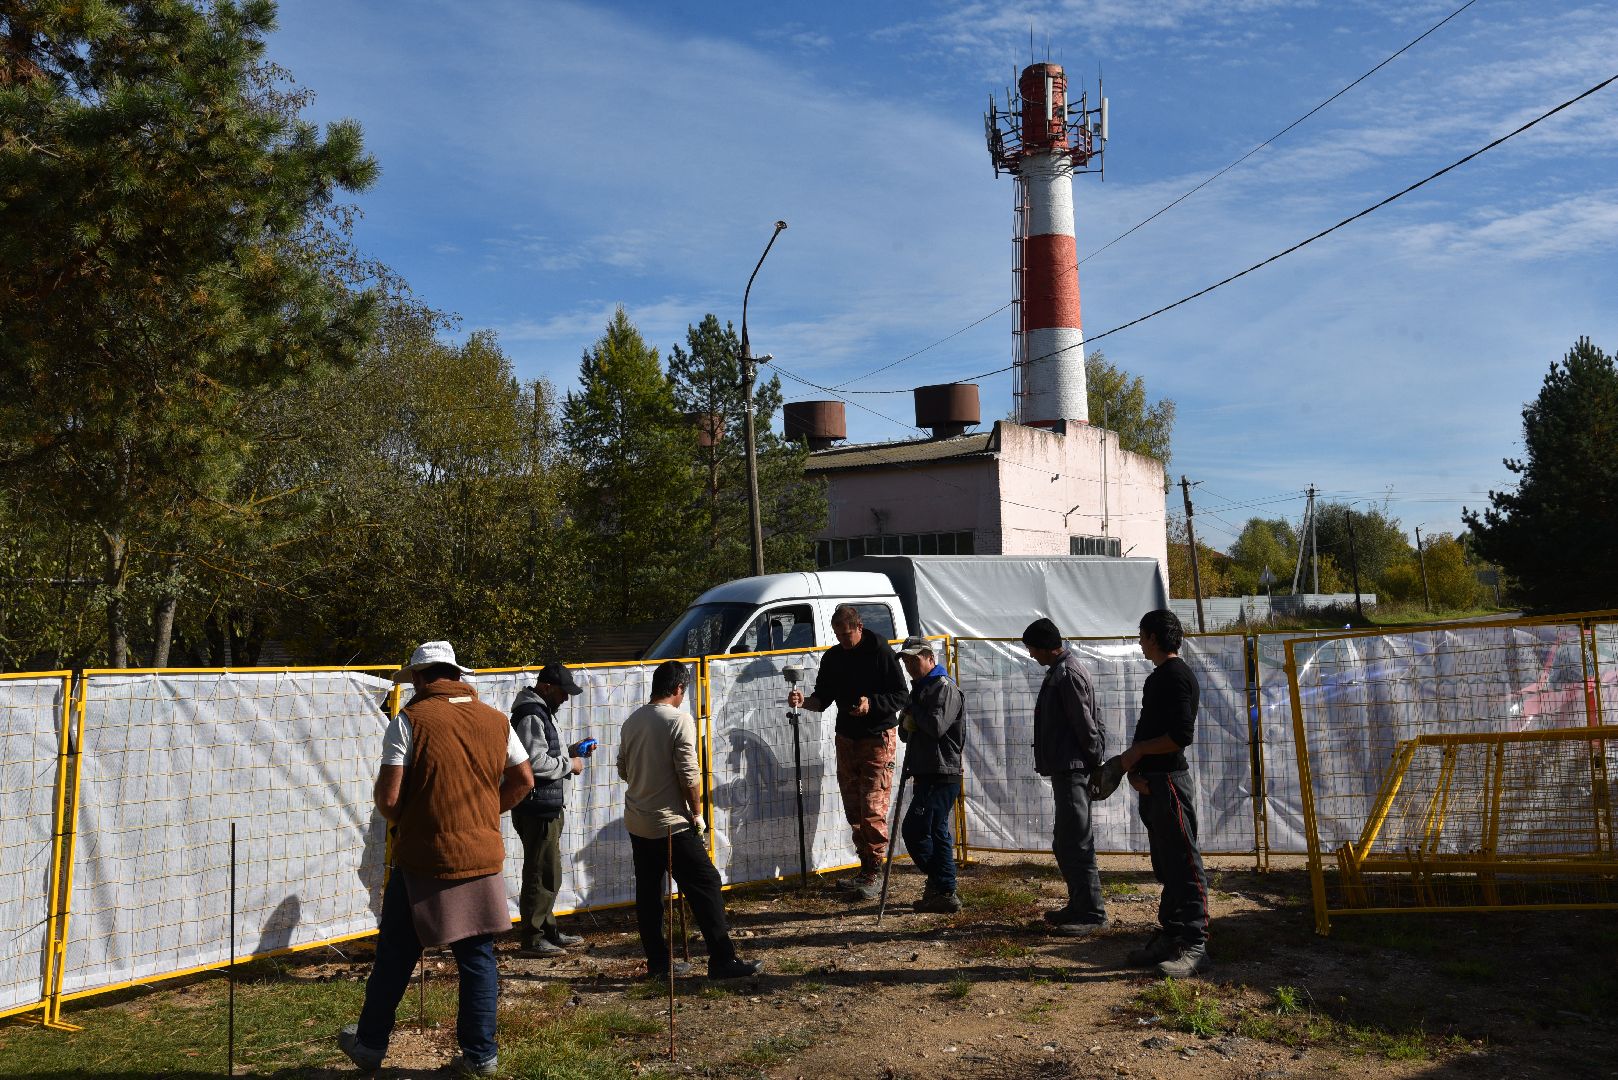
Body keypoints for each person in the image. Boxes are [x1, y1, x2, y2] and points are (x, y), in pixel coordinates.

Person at [339, 641, 535, 1077]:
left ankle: (370, 1044)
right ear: (454, 674)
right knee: (478, 957)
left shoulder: (410, 721)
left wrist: (422, 815)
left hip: (425, 860)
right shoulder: (496, 720)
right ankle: (481, 1055)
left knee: (395, 956)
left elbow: (389, 800)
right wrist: (483, 812)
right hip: (482, 856)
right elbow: (523, 780)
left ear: (424, 678)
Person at [617, 660, 761, 980]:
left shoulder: (632, 721)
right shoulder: (678, 720)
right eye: (685, 692)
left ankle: (659, 965)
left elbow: (623, 770)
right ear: (679, 689)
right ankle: (722, 960)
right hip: (671, 823)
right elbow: (689, 775)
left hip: (639, 822)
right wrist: (697, 814)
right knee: (706, 882)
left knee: (649, 895)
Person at [786, 604, 908, 901]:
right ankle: (865, 867)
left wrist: (872, 704)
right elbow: (822, 699)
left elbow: (901, 695)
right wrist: (804, 701)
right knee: (853, 807)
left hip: (877, 737)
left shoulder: (879, 650)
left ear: (859, 627)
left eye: (847, 634)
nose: (843, 640)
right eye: (838, 635)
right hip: (847, 739)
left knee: (873, 806)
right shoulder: (833, 658)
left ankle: (875, 871)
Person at [1118, 609, 1210, 977]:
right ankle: (1171, 936)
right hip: (1155, 781)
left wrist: (1138, 754)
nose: (1140, 642)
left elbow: (1180, 736)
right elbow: (1149, 728)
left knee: (1185, 864)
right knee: (1167, 865)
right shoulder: (1160, 677)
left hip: (1169, 782)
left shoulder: (1175, 677)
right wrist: (1138, 771)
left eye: (1142, 635)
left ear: (1154, 638)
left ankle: (1195, 945)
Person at [1022, 616, 1109, 937]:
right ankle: (1078, 905)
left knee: (1076, 840)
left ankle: (1092, 913)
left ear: (1045, 647)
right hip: (1067, 768)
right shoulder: (1061, 672)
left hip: (1074, 769)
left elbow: (1085, 724)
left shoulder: (1067, 674)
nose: (1032, 655)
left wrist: (1095, 762)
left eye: (1032, 648)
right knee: (1065, 840)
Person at [510, 662, 593, 958]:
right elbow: (532, 762)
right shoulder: (532, 714)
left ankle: (548, 930)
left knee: (549, 872)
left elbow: (545, 754)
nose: (566, 698)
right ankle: (533, 937)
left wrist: (571, 750)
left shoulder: (540, 711)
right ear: (546, 687)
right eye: (563, 692)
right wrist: (571, 764)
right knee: (538, 872)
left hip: (545, 804)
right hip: (537, 807)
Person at [896, 637, 967, 914]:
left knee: (915, 831)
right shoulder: (921, 689)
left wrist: (913, 712)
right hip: (926, 769)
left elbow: (936, 727)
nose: (910, 666)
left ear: (929, 657)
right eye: (906, 661)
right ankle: (942, 888)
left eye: (914, 660)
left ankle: (943, 884)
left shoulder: (944, 688)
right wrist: (908, 717)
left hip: (942, 770)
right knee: (935, 831)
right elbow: (905, 732)